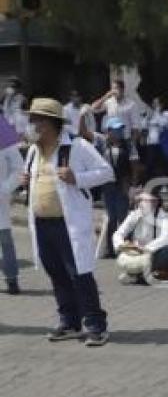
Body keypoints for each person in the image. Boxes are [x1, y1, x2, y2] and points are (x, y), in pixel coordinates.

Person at [21, 98, 114, 346]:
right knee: (56, 273)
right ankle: (69, 321)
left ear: (51, 123)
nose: (32, 124)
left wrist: (77, 178)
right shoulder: (33, 150)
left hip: (67, 223)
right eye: (32, 119)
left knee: (79, 274)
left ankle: (95, 325)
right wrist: (26, 180)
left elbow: (106, 171)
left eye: (37, 120)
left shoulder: (76, 146)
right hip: (42, 223)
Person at [112, 191, 168, 284]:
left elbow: (165, 238)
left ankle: (137, 273)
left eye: (145, 201)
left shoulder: (162, 215)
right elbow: (118, 234)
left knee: (167, 251)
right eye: (140, 200)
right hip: (138, 253)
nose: (141, 204)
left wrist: (146, 249)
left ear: (155, 202)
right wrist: (122, 245)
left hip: (156, 252)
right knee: (122, 253)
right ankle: (140, 273)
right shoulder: (135, 215)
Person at [99, 118, 133, 259]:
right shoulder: (103, 145)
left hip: (122, 185)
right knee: (111, 218)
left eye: (121, 129)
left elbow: (132, 167)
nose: (119, 132)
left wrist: (131, 186)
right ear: (109, 131)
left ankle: (127, 246)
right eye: (116, 129)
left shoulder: (128, 146)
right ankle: (111, 248)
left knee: (123, 217)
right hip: (108, 187)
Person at [1, 128, 23, 294]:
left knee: (5, 241)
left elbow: (19, 169)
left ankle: (11, 278)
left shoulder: (5, 138)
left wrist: (4, 188)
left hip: (0, 200)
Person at [142, 97, 168, 188]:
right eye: (154, 104)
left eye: (157, 104)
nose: (155, 105)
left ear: (161, 104)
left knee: (163, 165)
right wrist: (147, 116)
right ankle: (150, 185)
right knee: (150, 165)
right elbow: (143, 126)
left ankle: (165, 185)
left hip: (162, 143)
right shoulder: (150, 115)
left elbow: (164, 123)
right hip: (151, 143)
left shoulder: (166, 114)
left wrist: (157, 112)